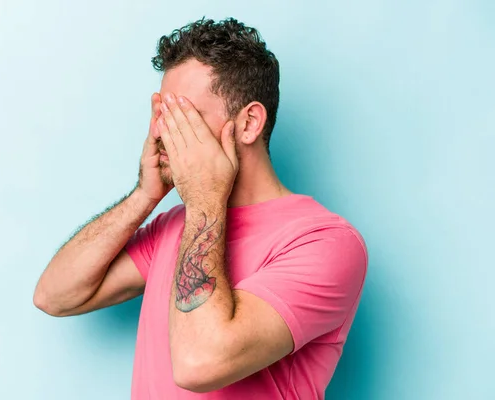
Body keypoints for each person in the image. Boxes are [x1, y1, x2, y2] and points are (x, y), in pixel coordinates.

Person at [33, 17, 368, 400]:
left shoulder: (324, 243)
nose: (160, 133)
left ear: (248, 124)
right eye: (161, 115)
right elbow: (54, 295)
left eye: (182, 116)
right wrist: (145, 196)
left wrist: (205, 199)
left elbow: (200, 363)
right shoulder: (177, 224)